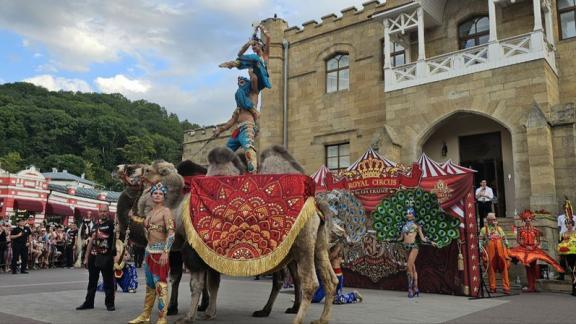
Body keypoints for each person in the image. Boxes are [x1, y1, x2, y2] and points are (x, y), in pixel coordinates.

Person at [129, 182, 175, 324]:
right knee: (149, 286)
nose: (157, 195)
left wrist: (166, 252)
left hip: (160, 252)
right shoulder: (149, 213)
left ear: (164, 196)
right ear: (151, 195)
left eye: (160, 193)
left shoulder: (166, 212)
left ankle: (162, 317)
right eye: (155, 193)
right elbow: (145, 227)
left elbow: (171, 233)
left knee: (160, 285)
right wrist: (133, 218)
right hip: (148, 252)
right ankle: (145, 315)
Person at [213, 74, 260, 173]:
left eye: (242, 82)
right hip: (237, 131)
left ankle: (253, 172)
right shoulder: (238, 110)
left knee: (248, 148)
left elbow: (255, 80)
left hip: (247, 127)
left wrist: (252, 70)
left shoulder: (253, 97)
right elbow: (230, 122)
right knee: (225, 152)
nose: (239, 82)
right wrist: (220, 130)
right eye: (239, 82)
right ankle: (219, 172)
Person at [508, 210, 564, 292]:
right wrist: (525, 246)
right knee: (527, 268)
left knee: (533, 267)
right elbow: (518, 240)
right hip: (524, 249)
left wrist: (533, 246)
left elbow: (538, 241)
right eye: (526, 218)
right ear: (524, 220)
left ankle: (533, 286)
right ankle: (530, 286)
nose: (528, 220)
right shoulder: (520, 230)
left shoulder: (535, 230)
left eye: (529, 218)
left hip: (533, 250)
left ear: (531, 219)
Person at [76, 205, 116, 311]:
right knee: (92, 281)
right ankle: (89, 302)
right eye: (101, 211)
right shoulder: (95, 225)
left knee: (108, 282)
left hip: (106, 256)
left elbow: (117, 241)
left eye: (105, 211)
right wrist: (86, 257)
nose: (103, 213)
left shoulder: (112, 224)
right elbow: (90, 242)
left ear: (108, 212)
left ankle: (110, 304)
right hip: (93, 257)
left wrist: (116, 257)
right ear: (98, 212)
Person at [219, 24, 272, 92]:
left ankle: (234, 64)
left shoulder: (265, 55)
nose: (253, 47)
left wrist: (261, 26)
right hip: (255, 82)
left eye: (254, 45)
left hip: (262, 78)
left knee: (255, 58)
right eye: (252, 46)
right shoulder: (251, 60)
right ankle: (233, 64)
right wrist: (249, 43)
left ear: (260, 45)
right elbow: (239, 54)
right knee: (248, 61)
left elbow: (268, 37)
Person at [399, 207, 437, 298]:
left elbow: (423, 238)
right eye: (407, 213)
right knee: (412, 267)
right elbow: (400, 238)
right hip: (405, 247)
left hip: (414, 247)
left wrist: (431, 242)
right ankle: (416, 288)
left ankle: (410, 288)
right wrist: (389, 239)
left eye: (410, 213)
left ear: (414, 215)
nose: (408, 215)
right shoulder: (403, 226)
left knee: (408, 266)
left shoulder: (417, 226)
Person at [479, 213, 511, 294]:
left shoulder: (499, 228)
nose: (494, 221)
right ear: (488, 220)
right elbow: (480, 241)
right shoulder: (484, 229)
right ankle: (492, 287)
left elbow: (504, 238)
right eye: (492, 219)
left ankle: (506, 287)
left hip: (500, 251)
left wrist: (507, 246)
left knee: (504, 269)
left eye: (494, 219)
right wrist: (480, 248)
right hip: (490, 252)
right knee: (491, 269)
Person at [557, 198, 576, 280]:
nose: (566, 209)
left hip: (573, 238)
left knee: (572, 260)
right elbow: (559, 228)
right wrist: (560, 238)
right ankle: (561, 274)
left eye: (568, 208)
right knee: (562, 258)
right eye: (565, 208)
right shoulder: (560, 217)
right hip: (563, 237)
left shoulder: (575, 217)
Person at [558, 218, 576, 296]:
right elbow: (562, 244)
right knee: (572, 272)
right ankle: (574, 289)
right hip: (569, 255)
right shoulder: (564, 234)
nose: (568, 225)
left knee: (575, 271)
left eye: (570, 224)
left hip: (575, 254)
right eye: (567, 224)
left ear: (573, 225)